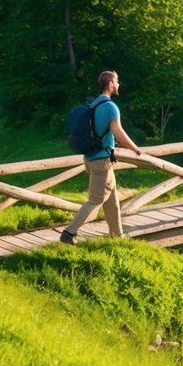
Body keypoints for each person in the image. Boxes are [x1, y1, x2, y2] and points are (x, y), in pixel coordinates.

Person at [59, 70, 143, 244]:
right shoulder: (111, 107)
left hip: (91, 159)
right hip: (101, 162)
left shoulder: (94, 104)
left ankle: (117, 236)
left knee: (111, 201)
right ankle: (69, 233)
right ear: (111, 84)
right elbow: (118, 132)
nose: (119, 84)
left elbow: (100, 132)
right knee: (96, 200)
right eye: (117, 81)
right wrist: (136, 149)